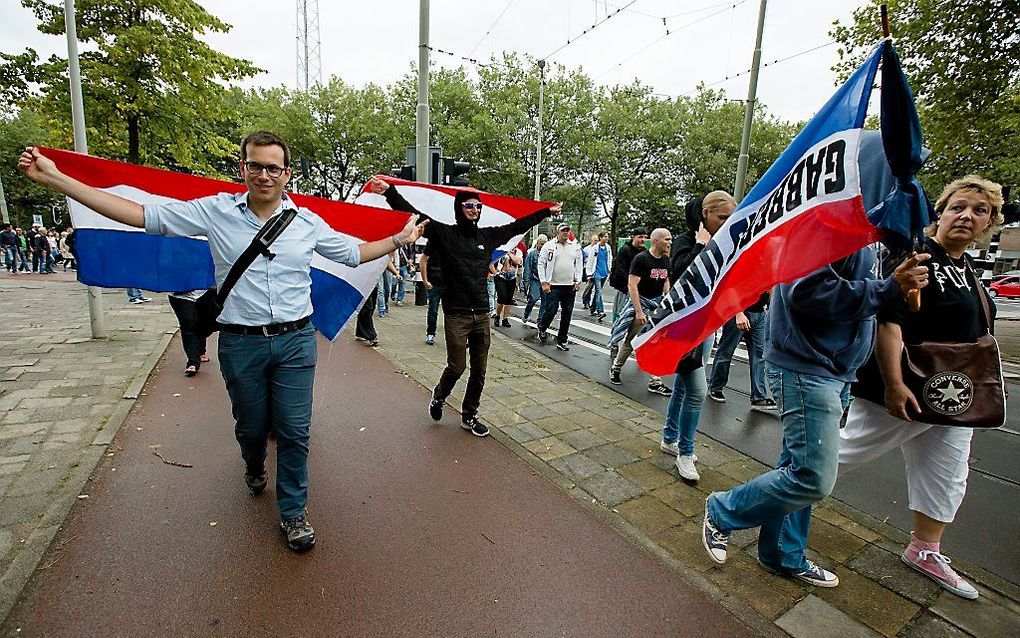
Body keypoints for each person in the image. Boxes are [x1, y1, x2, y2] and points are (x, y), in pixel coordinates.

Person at [18, 132, 427, 552]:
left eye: (273, 167)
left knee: (294, 431)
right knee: (250, 428)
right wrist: (57, 180)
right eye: (255, 166)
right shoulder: (215, 212)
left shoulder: (307, 223)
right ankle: (253, 466)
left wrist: (398, 240)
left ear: (287, 174)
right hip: (240, 343)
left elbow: (352, 255)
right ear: (243, 169)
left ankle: (292, 512)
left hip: (295, 342)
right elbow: (141, 215)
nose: (264, 175)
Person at [700, 242, 930, 587]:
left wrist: (895, 290)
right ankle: (722, 511)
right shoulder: (824, 225)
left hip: (836, 369)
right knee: (812, 476)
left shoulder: (872, 235)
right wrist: (886, 287)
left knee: (797, 465)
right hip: (808, 366)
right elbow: (805, 291)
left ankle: (782, 554)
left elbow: (872, 302)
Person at [840, 176, 1004, 600]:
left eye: (979, 210)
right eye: (958, 207)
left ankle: (925, 550)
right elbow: (890, 318)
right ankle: (774, 500)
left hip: (954, 396)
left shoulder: (968, 268)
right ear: (940, 212)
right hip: (905, 387)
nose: (967, 216)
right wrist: (894, 384)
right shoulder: (918, 255)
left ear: (990, 223)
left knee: (948, 474)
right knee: (840, 453)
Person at [369, 177, 556, 437]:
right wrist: (390, 192)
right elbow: (414, 213)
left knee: (480, 371)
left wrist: (545, 212)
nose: (474, 210)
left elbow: (518, 225)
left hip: (481, 314)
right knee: (457, 367)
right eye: (469, 205)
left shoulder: (488, 236)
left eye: (478, 206)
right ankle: (439, 396)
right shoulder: (446, 234)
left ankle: (470, 416)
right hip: (456, 314)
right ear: (460, 208)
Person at [662, 192, 736, 481]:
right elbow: (681, 273)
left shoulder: (722, 242)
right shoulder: (685, 240)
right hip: (684, 328)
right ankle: (685, 451)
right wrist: (702, 245)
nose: (727, 223)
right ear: (705, 214)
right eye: (722, 218)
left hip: (705, 328)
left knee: (683, 386)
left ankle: (670, 437)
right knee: (697, 391)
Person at [608, 228, 673, 397]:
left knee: (653, 342)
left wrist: (667, 298)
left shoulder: (665, 259)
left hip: (656, 304)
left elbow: (665, 280)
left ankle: (655, 381)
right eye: (667, 239)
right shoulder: (641, 259)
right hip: (641, 304)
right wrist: (638, 312)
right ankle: (616, 368)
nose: (670, 242)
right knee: (632, 341)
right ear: (657, 240)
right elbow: (632, 285)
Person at [537, 222, 583, 350]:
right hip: (554, 285)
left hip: (569, 285)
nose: (565, 233)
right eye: (563, 231)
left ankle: (562, 339)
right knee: (551, 310)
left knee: (567, 313)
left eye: (567, 231)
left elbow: (578, 264)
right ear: (558, 232)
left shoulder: (575, 246)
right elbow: (541, 263)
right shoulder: (549, 246)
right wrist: (544, 281)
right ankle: (542, 327)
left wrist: (578, 280)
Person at [608, 227, 648, 326]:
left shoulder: (644, 251)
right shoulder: (625, 250)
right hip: (625, 289)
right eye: (640, 237)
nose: (643, 240)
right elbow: (621, 271)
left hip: (639, 290)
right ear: (633, 237)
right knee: (620, 314)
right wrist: (630, 287)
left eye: (644, 237)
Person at [167, 289, 212, 376]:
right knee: (188, 326)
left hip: (205, 294)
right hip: (181, 297)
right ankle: (193, 362)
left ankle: (201, 351)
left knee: (202, 324)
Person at [584, 232, 612, 321]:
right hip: (596, 273)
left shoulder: (608, 248)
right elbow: (591, 261)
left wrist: (609, 270)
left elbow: (609, 259)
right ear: (600, 238)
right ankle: (601, 311)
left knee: (597, 293)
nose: (606, 238)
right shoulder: (595, 248)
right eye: (605, 236)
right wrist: (589, 273)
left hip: (604, 272)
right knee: (598, 291)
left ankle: (592, 308)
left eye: (607, 236)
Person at [420, 240, 443, 345]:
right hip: (434, 282)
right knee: (433, 309)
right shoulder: (433, 243)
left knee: (452, 312)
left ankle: (454, 336)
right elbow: (423, 260)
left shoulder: (453, 241)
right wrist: (425, 280)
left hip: (449, 283)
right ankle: (431, 333)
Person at [520, 234, 548, 324]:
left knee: (545, 301)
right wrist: (526, 283)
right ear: (537, 244)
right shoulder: (532, 254)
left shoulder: (549, 255)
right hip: (535, 280)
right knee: (533, 298)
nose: (543, 246)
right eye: (541, 244)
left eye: (545, 244)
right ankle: (526, 313)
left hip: (546, 281)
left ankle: (540, 319)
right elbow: (527, 269)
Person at [493, 246, 523, 328]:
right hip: (501, 276)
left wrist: (509, 253)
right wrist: (495, 273)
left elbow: (518, 262)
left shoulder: (518, 252)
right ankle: (497, 315)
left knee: (509, 299)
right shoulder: (500, 250)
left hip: (512, 277)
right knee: (502, 297)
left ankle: (505, 319)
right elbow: (492, 262)